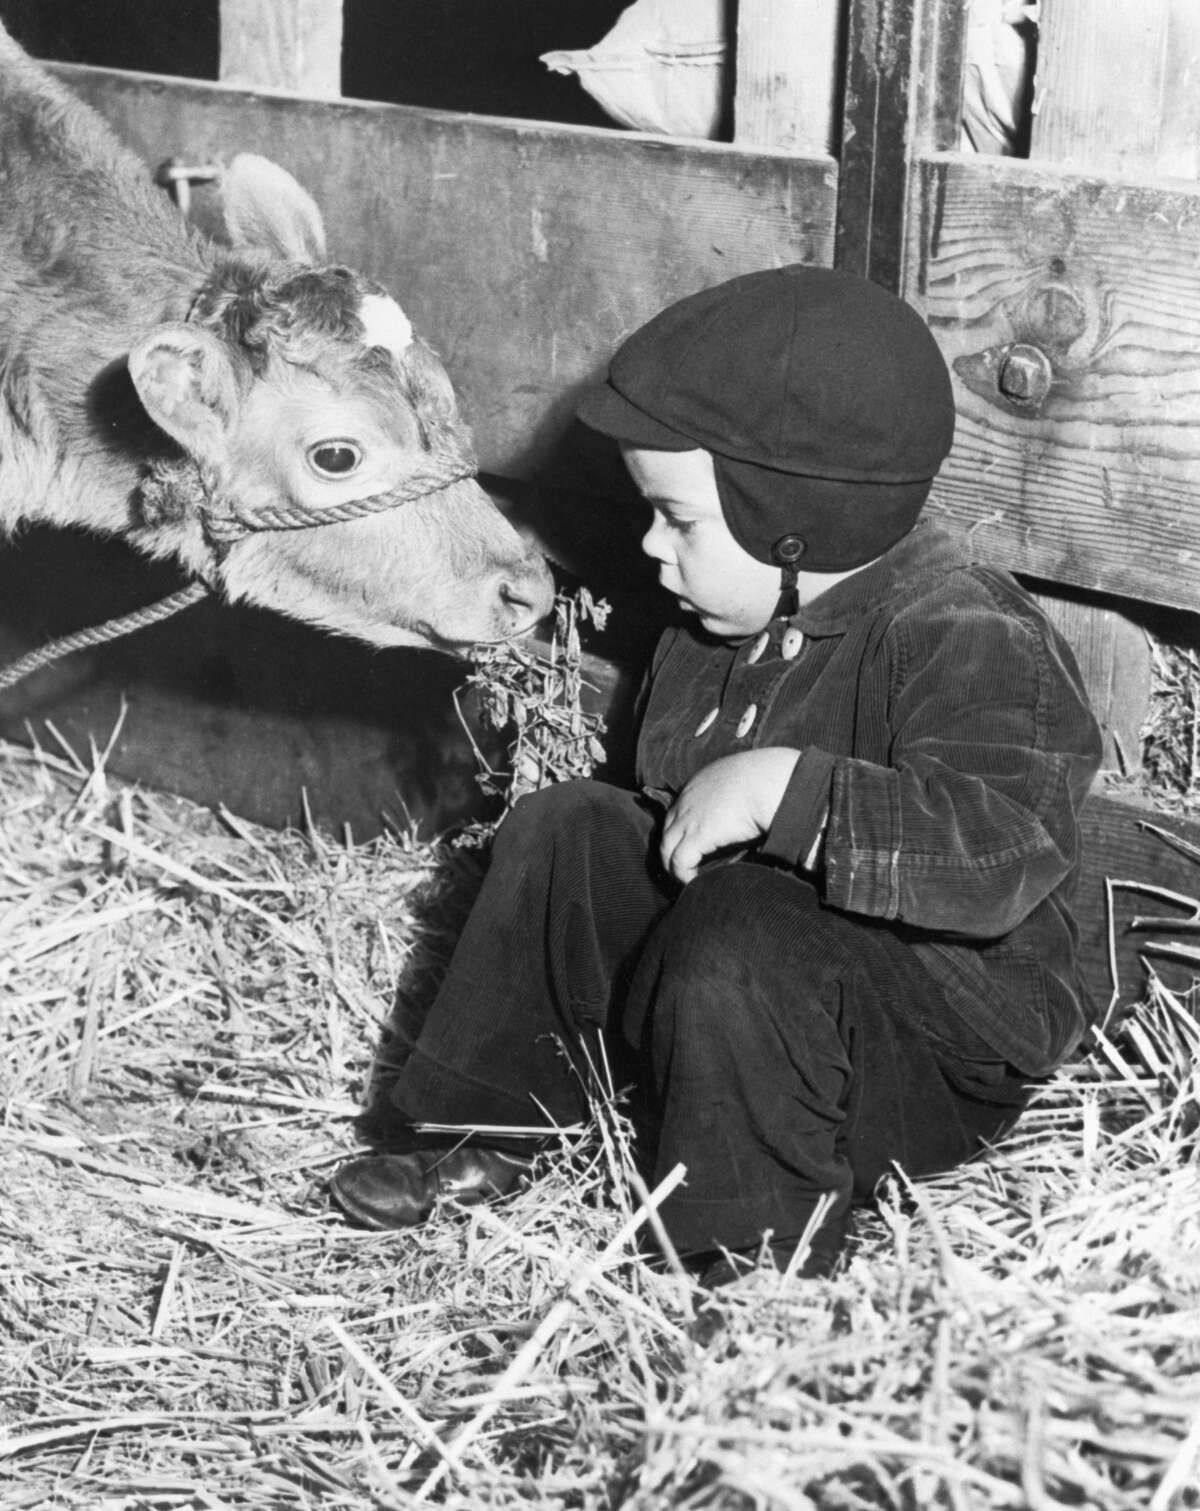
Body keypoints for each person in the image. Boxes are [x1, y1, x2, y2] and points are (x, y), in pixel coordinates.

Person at [329, 265, 1102, 1283]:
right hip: (724, 996)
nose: (652, 546)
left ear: (793, 520)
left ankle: (752, 1256)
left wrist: (796, 794)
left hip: (921, 1050)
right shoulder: (712, 631)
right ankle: (486, 1122)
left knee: (739, 925)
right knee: (570, 826)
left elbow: (999, 847)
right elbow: (660, 840)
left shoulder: (964, 636)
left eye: (680, 519)